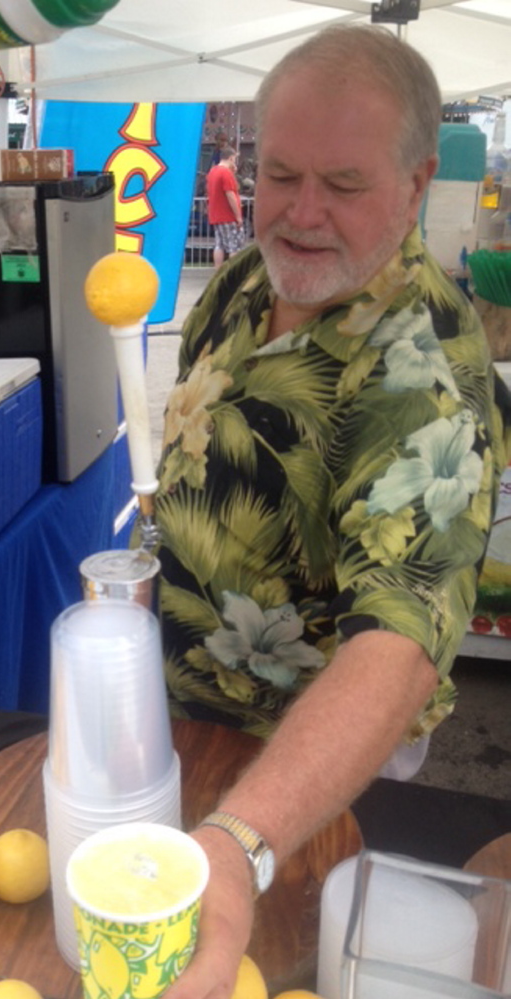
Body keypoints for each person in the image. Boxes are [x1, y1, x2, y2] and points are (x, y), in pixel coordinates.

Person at [154, 24, 511, 999]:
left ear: (412, 183)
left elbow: (396, 642)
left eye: (343, 186)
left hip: (305, 775)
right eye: (278, 175)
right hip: (195, 718)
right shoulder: (240, 280)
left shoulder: (423, 376)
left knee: (280, 963)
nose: (300, 214)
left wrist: (239, 840)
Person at [206, 145, 245, 268]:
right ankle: (233, 272)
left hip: (216, 215)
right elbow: (230, 195)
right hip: (228, 215)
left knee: (219, 245)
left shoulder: (212, 171)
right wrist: (238, 215)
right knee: (234, 246)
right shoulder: (226, 173)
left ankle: (218, 271)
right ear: (231, 158)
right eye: (234, 158)